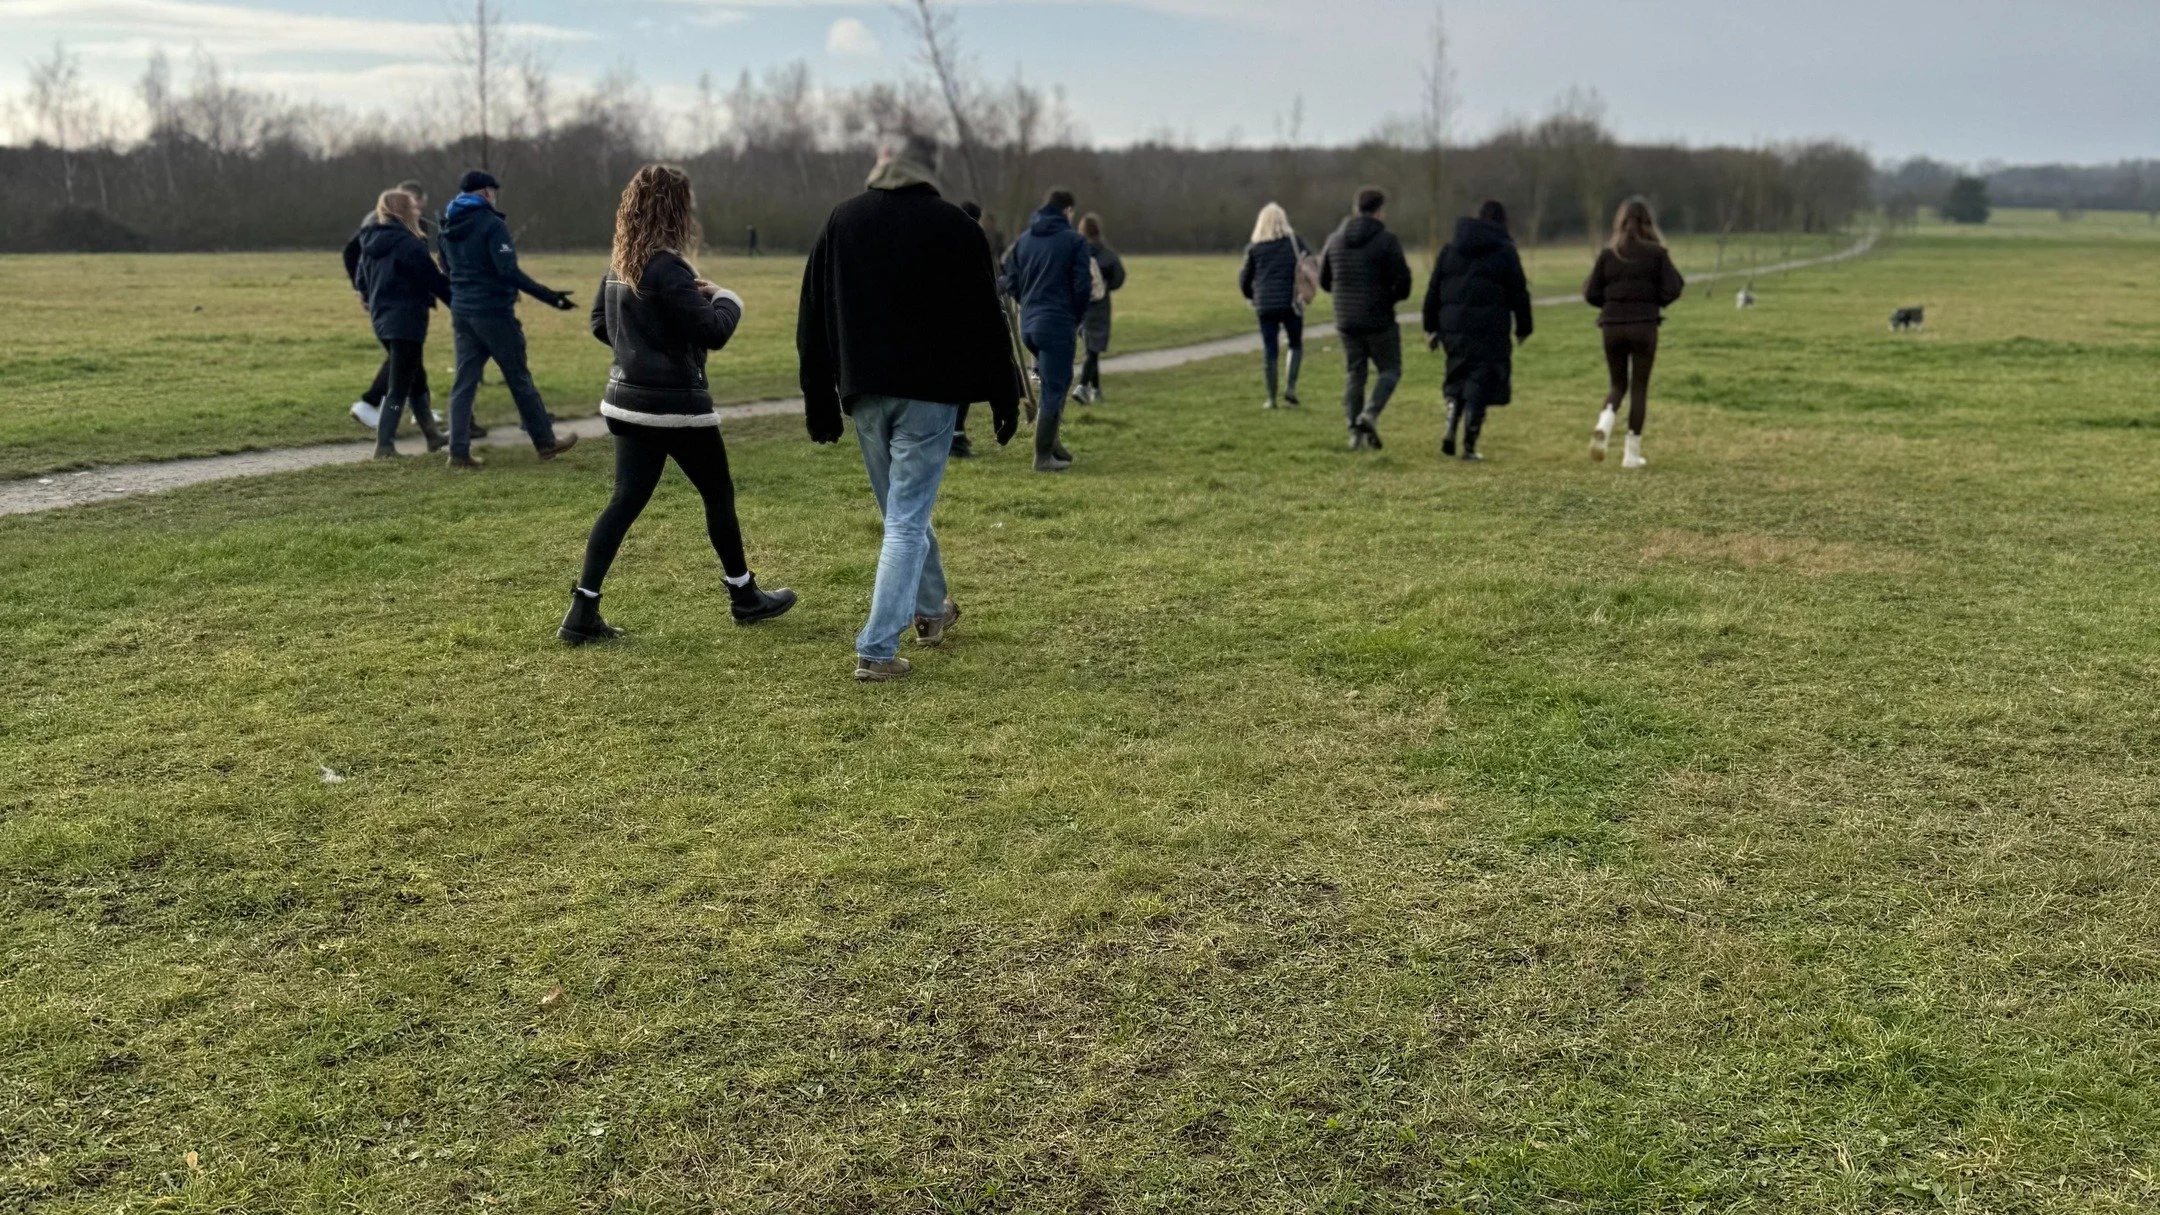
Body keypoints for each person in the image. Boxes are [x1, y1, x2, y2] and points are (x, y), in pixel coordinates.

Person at [796, 133, 1020, 682]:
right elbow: (984, 319)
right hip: (929, 396)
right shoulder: (957, 228)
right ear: (929, 169)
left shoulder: (842, 221)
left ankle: (933, 610)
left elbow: (812, 316)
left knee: (903, 513)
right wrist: (1003, 392)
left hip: (865, 392)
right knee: (905, 519)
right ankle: (875, 648)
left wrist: (818, 397)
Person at [559, 165, 796, 645]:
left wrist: (650, 338)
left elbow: (602, 326)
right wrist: (726, 297)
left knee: (624, 503)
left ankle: (582, 612)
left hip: (625, 404)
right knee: (717, 495)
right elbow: (714, 331)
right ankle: (744, 597)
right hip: (674, 408)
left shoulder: (620, 264)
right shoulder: (668, 268)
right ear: (676, 210)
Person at [438, 169, 579, 468]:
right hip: (494, 314)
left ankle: (458, 451)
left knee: (464, 381)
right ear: (486, 192)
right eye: (493, 191)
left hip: (462, 312)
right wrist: (550, 296)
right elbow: (508, 271)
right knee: (518, 377)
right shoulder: (491, 224)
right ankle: (545, 442)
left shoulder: (447, 225)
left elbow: (445, 266)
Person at [344, 179, 463, 437]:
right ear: (404, 212)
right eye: (414, 208)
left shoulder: (370, 242)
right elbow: (435, 281)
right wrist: (464, 305)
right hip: (407, 319)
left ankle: (432, 437)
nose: (419, 213)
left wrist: (366, 294)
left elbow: (362, 279)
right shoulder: (410, 245)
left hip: (381, 318)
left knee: (415, 377)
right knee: (399, 385)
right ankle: (384, 445)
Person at [1422, 199, 1533, 461]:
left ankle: (1451, 415)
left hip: (1453, 324)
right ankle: (1469, 443)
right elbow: (1519, 291)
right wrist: (1524, 327)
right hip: (1490, 326)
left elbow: (1433, 290)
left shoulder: (1450, 249)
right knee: (1481, 379)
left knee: (1457, 371)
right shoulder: (1505, 250)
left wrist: (1430, 327)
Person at [1583, 196, 1686, 469]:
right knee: (1639, 387)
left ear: (1621, 221)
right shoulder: (1656, 253)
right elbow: (1676, 286)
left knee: (1617, 385)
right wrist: (1656, 301)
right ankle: (1631, 455)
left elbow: (1590, 292)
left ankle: (1605, 420)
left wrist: (1610, 306)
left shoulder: (1608, 254)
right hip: (1644, 326)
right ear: (1647, 222)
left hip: (1612, 328)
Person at [1000, 187, 1094, 472]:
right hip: (1057, 323)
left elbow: (1010, 280)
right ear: (1067, 211)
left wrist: (1028, 307)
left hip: (1029, 323)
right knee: (1054, 386)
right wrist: (1075, 317)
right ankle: (1042, 457)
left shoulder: (1023, 241)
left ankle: (1054, 445)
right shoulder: (1075, 242)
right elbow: (1082, 287)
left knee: (1058, 381)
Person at [1320, 187, 1414, 451]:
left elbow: (1325, 281)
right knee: (1390, 369)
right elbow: (1404, 282)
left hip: (1346, 319)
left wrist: (1344, 296)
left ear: (1356, 208)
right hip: (1379, 317)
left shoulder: (1334, 240)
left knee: (1355, 373)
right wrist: (1390, 298)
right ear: (1380, 210)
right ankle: (1369, 415)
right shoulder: (1386, 240)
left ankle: (1354, 433)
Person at [1238, 202, 1312, 410]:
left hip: (1265, 305)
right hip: (1291, 302)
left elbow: (1244, 279)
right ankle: (1290, 388)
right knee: (1295, 344)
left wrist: (1252, 296)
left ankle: (1271, 398)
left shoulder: (1254, 248)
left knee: (1270, 349)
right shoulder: (1295, 242)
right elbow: (1309, 263)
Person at [1075, 213, 1126, 404]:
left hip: (1079, 307)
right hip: (1099, 306)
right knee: (1093, 349)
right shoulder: (1107, 254)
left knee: (1091, 347)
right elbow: (1119, 278)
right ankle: (1082, 386)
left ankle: (1095, 391)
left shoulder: (1077, 252)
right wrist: (1105, 286)